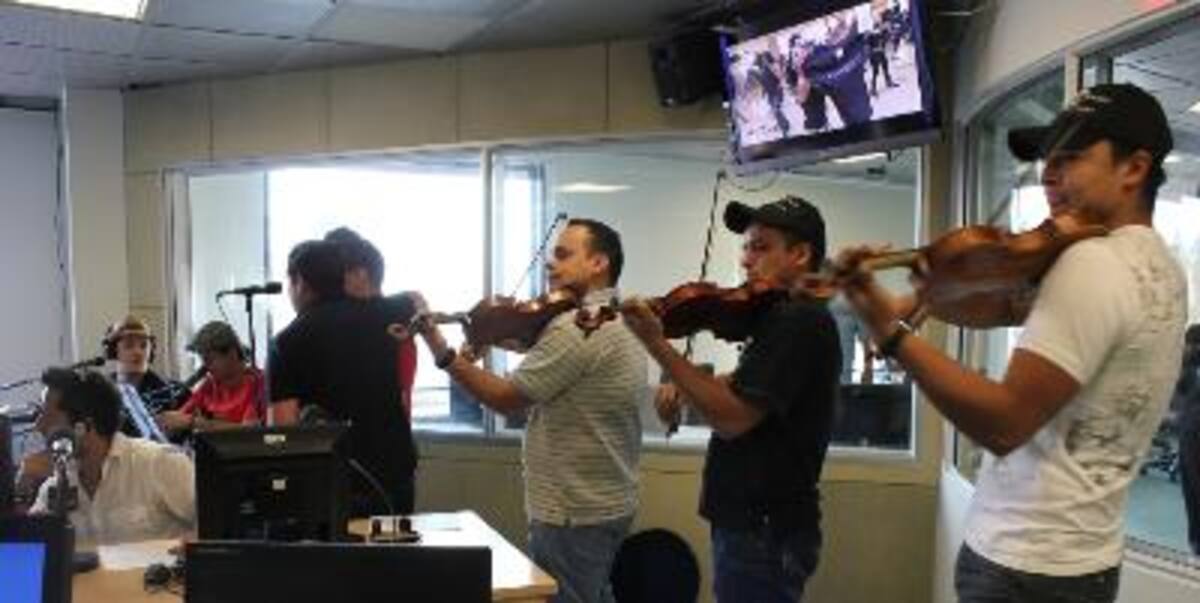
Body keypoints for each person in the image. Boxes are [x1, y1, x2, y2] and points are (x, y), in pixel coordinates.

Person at [835, 83, 1186, 602]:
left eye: (1070, 158)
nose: (1048, 174)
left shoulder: (1093, 264)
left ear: (1133, 168)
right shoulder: (1161, 267)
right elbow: (1001, 307)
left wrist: (891, 336)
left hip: (1023, 563)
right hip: (1085, 560)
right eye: (1047, 159)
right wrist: (904, 299)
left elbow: (1005, 423)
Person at [408, 218, 645, 603]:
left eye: (564, 255)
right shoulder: (621, 315)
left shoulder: (578, 327)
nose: (551, 264)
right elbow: (554, 358)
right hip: (606, 499)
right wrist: (497, 336)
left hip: (573, 508)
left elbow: (506, 398)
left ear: (599, 263)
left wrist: (444, 352)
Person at [621, 196, 842, 602]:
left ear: (800, 254)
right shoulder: (783, 316)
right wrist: (688, 388)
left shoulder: (799, 320)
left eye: (761, 247)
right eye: (745, 247)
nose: (745, 260)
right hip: (757, 526)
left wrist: (657, 344)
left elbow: (734, 419)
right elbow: (749, 385)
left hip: (763, 529)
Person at [268, 240, 417, 516]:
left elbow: (285, 433)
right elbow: (414, 301)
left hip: (334, 485)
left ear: (299, 282)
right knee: (397, 544)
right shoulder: (387, 312)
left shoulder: (286, 342)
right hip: (395, 474)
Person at [28, 368, 195, 546]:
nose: (39, 426)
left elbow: (212, 528)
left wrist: (185, 552)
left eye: (48, 416)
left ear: (84, 426)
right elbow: (32, 549)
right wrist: (24, 488)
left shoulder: (160, 462)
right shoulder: (56, 484)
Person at [323, 227, 420, 420]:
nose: (332, 281)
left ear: (360, 273)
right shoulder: (403, 310)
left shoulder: (396, 318)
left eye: (339, 272)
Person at [156, 321, 263, 436]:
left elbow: (248, 434)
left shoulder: (259, 384)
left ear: (233, 353)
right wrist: (167, 422)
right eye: (203, 360)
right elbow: (180, 418)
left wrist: (194, 422)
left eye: (210, 359)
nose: (206, 366)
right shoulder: (210, 385)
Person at [1178, 324, 1200, 556]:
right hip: (1188, 436)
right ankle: (1195, 544)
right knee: (1191, 494)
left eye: (1192, 345)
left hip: (1193, 435)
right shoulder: (1190, 369)